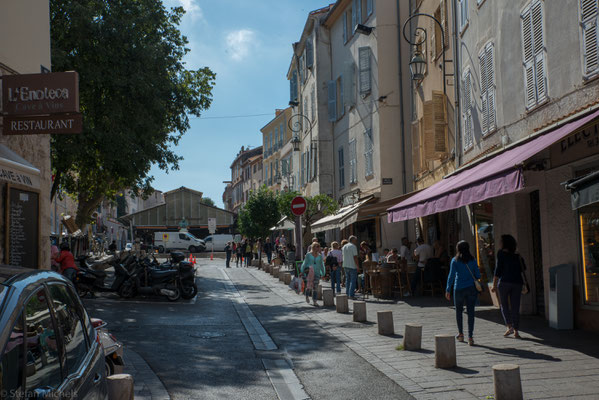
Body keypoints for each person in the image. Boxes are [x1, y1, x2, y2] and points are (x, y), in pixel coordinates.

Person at [445, 240, 481, 346]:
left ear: (458, 249)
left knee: (458, 312)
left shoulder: (454, 260)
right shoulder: (473, 260)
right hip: (471, 288)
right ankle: (470, 337)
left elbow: (451, 276)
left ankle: (461, 334)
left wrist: (448, 289)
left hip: (458, 288)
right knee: (471, 312)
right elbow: (478, 275)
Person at [492, 234, 525, 339]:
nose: (499, 243)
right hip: (517, 283)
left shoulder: (501, 253)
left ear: (504, 243)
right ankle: (516, 331)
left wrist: (494, 284)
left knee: (504, 305)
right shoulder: (517, 255)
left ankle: (509, 326)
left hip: (504, 282)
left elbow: (498, 270)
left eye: (501, 241)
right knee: (515, 307)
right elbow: (523, 268)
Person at [301, 242, 326, 306]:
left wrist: (323, 273)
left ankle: (314, 301)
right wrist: (302, 271)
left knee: (315, 287)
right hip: (309, 273)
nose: (318, 248)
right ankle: (307, 296)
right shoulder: (308, 255)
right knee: (309, 287)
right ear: (313, 247)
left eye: (318, 246)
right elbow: (305, 263)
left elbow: (321, 265)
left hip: (317, 273)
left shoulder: (320, 256)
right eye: (317, 246)